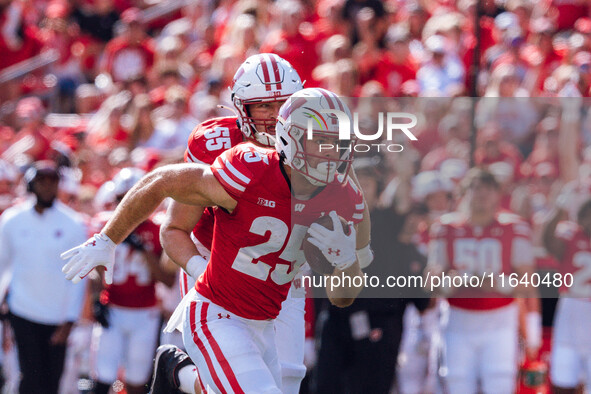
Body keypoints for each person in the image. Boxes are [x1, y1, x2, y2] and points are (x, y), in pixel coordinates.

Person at [62, 88, 367, 393]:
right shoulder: (251, 169)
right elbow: (163, 181)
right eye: (319, 140)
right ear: (289, 137)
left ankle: (178, 374)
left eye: (336, 141)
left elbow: (342, 297)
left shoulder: (342, 196)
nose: (330, 151)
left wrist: (346, 261)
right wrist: (107, 239)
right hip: (217, 315)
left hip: (264, 324)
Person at [425, 168, 538, 394]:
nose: (482, 194)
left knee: (499, 383)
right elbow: (430, 281)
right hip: (458, 319)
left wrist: (498, 284)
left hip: (500, 320)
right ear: (464, 193)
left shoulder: (514, 228)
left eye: (488, 189)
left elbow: (528, 283)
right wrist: (450, 283)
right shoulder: (446, 228)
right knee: (457, 383)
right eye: (476, 188)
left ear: (498, 194)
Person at [0, 160, 87, 394]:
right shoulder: (11, 220)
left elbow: (78, 276)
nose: (47, 186)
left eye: (53, 181)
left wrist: (70, 320)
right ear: (31, 183)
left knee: (52, 381)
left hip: (57, 317)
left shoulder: (74, 224)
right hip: (22, 311)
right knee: (29, 378)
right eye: (42, 180)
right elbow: (2, 265)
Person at [90, 168, 176, 394]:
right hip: (113, 308)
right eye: (121, 198)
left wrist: (144, 250)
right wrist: (95, 300)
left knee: (137, 380)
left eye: (132, 197)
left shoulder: (159, 229)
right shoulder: (104, 225)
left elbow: (167, 280)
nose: (127, 204)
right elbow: (94, 269)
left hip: (144, 313)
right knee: (103, 376)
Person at [542, 198, 591, 393]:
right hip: (570, 313)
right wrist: (560, 206)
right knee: (562, 382)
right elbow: (548, 242)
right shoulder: (571, 237)